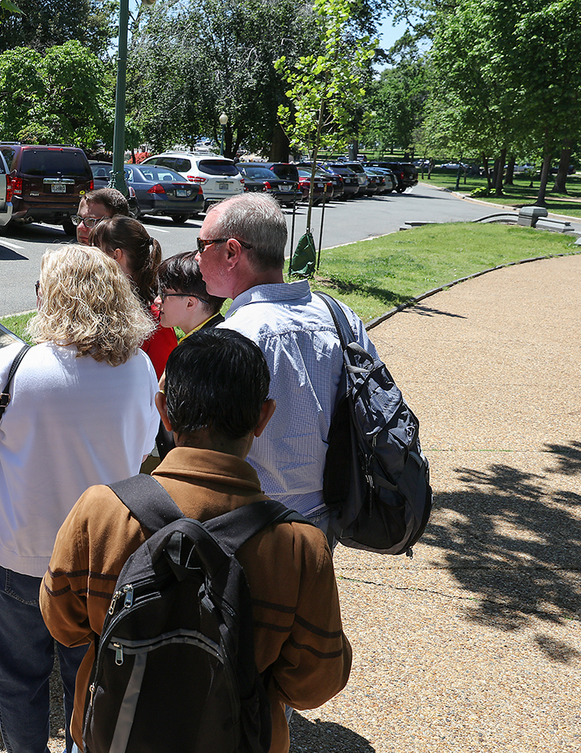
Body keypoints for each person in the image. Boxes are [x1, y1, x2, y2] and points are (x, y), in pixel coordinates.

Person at [40, 329, 352, 753]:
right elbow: (313, 685)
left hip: (113, 741)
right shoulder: (300, 548)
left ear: (163, 409)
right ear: (263, 417)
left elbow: (62, 625)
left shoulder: (101, 511)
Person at [0, 245, 159, 753]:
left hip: (16, 551)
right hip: (104, 555)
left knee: (19, 677)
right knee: (88, 678)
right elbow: (146, 446)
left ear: (52, 298)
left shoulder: (13, 365)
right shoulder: (139, 367)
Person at [197, 192, 380, 538]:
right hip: (332, 510)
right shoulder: (341, 316)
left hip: (252, 522)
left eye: (202, 245)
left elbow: (209, 451)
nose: (196, 257)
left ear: (232, 252)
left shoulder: (233, 337)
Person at [90, 215, 177, 378]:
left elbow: (162, 383)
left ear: (116, 255)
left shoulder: (156, 322)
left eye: (95, 250)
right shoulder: (97, 308)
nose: (89, 259)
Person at [153, 251, 225, 339]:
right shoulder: (222, 335)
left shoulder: (205, 346)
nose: (157, 301)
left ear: (190, 303)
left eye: (164, 295)